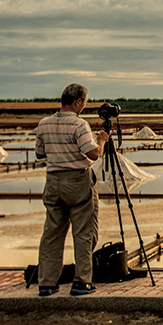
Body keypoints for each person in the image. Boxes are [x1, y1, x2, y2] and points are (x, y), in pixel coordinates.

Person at [35, 83, 108, 297]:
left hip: (52, 181)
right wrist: (101, 141)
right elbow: (93, 154)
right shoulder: (79, 125)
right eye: (84, 102)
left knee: (52, 233)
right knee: (84, 232)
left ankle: (47, 283)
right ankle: (81, 281)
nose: (83, 107)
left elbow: (40, 154)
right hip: (77, 180)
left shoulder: (44, 124)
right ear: (78, 102)